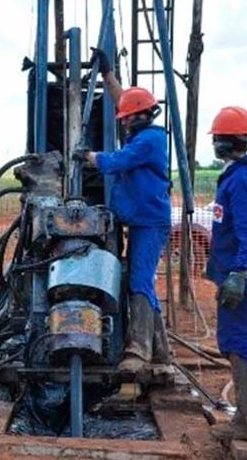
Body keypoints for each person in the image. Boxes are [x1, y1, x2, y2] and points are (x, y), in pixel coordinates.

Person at [83, 48, 172, 372]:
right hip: (138, 220)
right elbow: (125, 101)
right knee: (140, 280)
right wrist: (108, 74)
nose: (123, 121)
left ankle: (138, 351)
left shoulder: (149, 140)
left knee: (139, 281)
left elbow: (119, 161)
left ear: (139, 117)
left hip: (149, 222)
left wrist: (91, 158)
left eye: (126, 117)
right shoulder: (143, 130)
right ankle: (159, 351)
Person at [205, 107, 247, 443]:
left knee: (239, 345)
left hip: (243, 280)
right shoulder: (240, 175)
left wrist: (239, 274)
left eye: (216, 138)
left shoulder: (242, 181)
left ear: (223, 142)